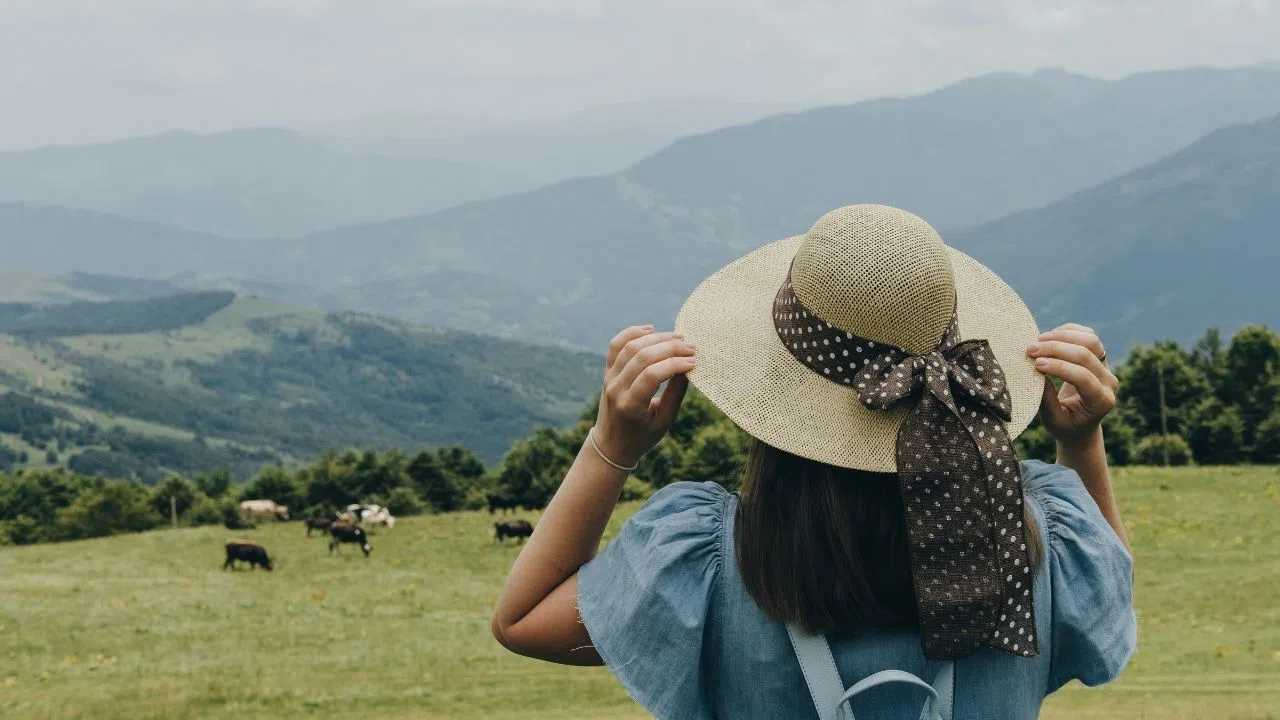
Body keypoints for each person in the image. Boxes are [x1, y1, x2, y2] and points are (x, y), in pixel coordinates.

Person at [492, 205, 1135, 719]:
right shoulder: (1041, 548)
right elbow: (1111, 600)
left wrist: (613, 444)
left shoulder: (707, 563)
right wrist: (1081, 444)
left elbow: (522, 620)